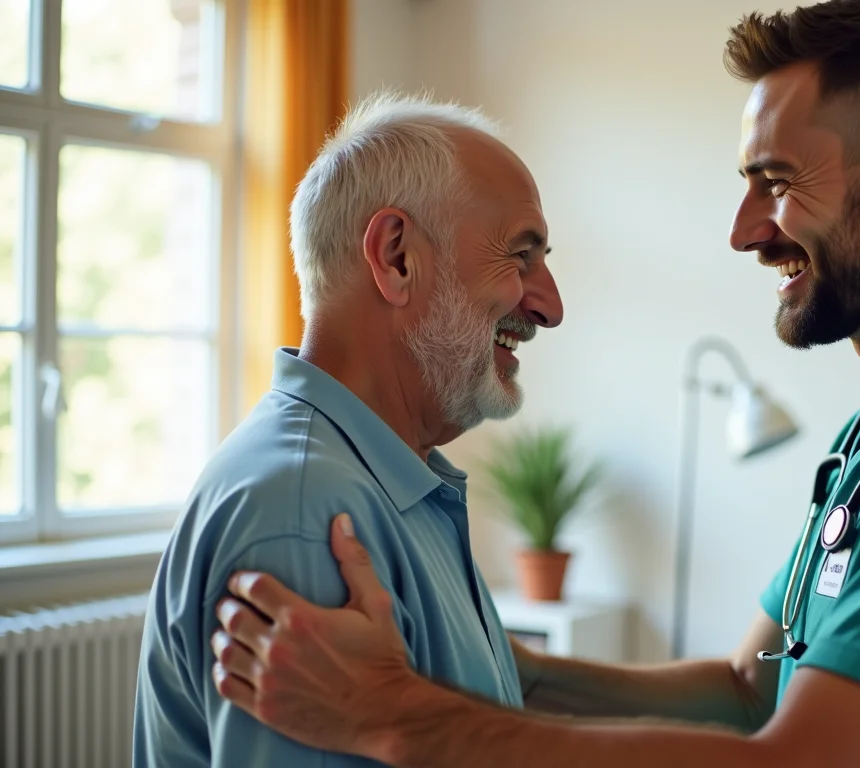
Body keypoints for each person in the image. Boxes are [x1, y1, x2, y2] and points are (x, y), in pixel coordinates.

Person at [205, 1, 860, 766]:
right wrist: (503, 670)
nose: (745, 230)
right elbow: (751, 691)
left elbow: (797, 760)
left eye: (777, 181)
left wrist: (393, 715)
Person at [132, 92, 564, 767]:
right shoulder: (312, 514)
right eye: (521, 256)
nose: (550, 304)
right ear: (395, 257)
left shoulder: (385, 482)